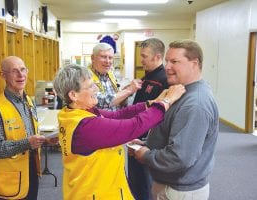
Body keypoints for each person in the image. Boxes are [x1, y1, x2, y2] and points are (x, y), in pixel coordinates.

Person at [53, 64, 185, 200]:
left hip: (90, 188)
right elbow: (134, 126)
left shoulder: (72, 113)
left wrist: (151, 103)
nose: (96, 89)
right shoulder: (86, 125)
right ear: (73, 95)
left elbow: (118, 115)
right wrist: (166, 102)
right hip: (96, 193)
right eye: (91, 86)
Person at [132, 39, 219, 200]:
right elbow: (174, 134)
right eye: (167, 61)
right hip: (169, 185)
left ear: (194, 64)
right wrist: (147, 144)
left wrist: (146, 155)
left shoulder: (195, 103)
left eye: (174, 61)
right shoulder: (181, 92)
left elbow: (180, 157)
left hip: (180, 191)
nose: (167, 67)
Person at [0, 56, 46, 200]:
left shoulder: (29, 101)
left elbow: (29, 132)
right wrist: (27, 143)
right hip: (10, 179)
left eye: (23, 69)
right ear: (3, 75)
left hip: (30, 170)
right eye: (14, 71)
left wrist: (46, 141)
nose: (20, 75)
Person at [128, 38, 169, 200]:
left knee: (144, 184)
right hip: (136, 135)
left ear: (157, 57)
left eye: (144, 56)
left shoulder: (164, 80)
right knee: (136, 182)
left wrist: (147, 140)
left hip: (147, 139)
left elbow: (160, 113)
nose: (141, 60)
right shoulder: (147, 77)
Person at [89, 42, 142, 110]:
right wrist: (129, 90)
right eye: (103, 57)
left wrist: (125, 92)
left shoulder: (110, 73)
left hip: (116, 117)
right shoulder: (85, 77)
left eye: (110, 58)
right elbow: (99, 102)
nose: (108, 61)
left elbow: (116, 98)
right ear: (92, 58)